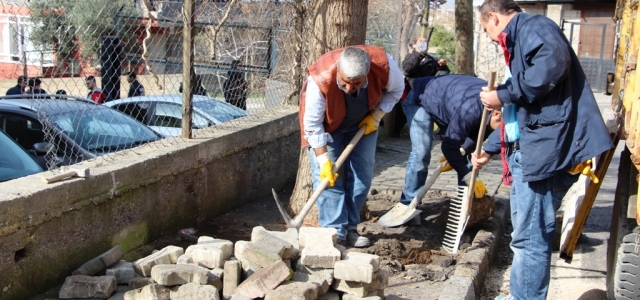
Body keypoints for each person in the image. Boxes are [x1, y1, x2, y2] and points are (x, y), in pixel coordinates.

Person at [473, 1, 614, 299]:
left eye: (488, 31)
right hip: (534, 149)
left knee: (529, 239)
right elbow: (520, 111)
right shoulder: (524, 38)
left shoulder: (536, 28)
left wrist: (503, 94)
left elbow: (550, 66)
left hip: (543, 152)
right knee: (524, 237)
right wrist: (489, 145)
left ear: (494, 17)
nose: (492, 40)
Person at [299, 45, 404, 247]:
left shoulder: (385, 66)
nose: (349, 88)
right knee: (329, 181)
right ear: (338, 70)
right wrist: (323, 161)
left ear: (366, 75)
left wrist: (377, 115)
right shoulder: (320, 78)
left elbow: (397, 91)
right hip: (328, 127)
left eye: (356, 84)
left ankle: (350, 228)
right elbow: (311, 125)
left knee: (362, 178)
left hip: (363, 123)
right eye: (345, 82)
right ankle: (334, 233)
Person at [399, 75, 500, 211]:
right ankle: (408, 203)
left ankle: (467, 204)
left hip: (447, 103)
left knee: (467, 156)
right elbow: (448, 145)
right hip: (421, 98)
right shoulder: (469, 111)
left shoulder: (496, 107)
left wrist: (462, 150)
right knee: (421, 151)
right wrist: (467, 175)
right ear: (496, 113)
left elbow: (475, 137)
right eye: (499, 127)